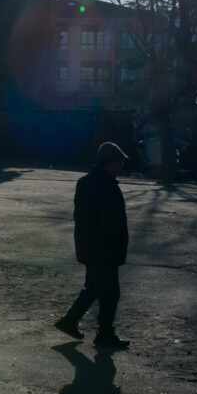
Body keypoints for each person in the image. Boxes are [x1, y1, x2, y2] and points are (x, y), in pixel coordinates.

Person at [56, 141, 131, 350]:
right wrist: (114, 246)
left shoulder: (88, 182)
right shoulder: (106, 185)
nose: (121, 167)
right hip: (104, 248)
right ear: (110, 163)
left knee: (96, 288)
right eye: (119, 163)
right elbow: (110, 221)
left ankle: (74, 323)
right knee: (108, 292)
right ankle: (101, 333)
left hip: (91, 247)